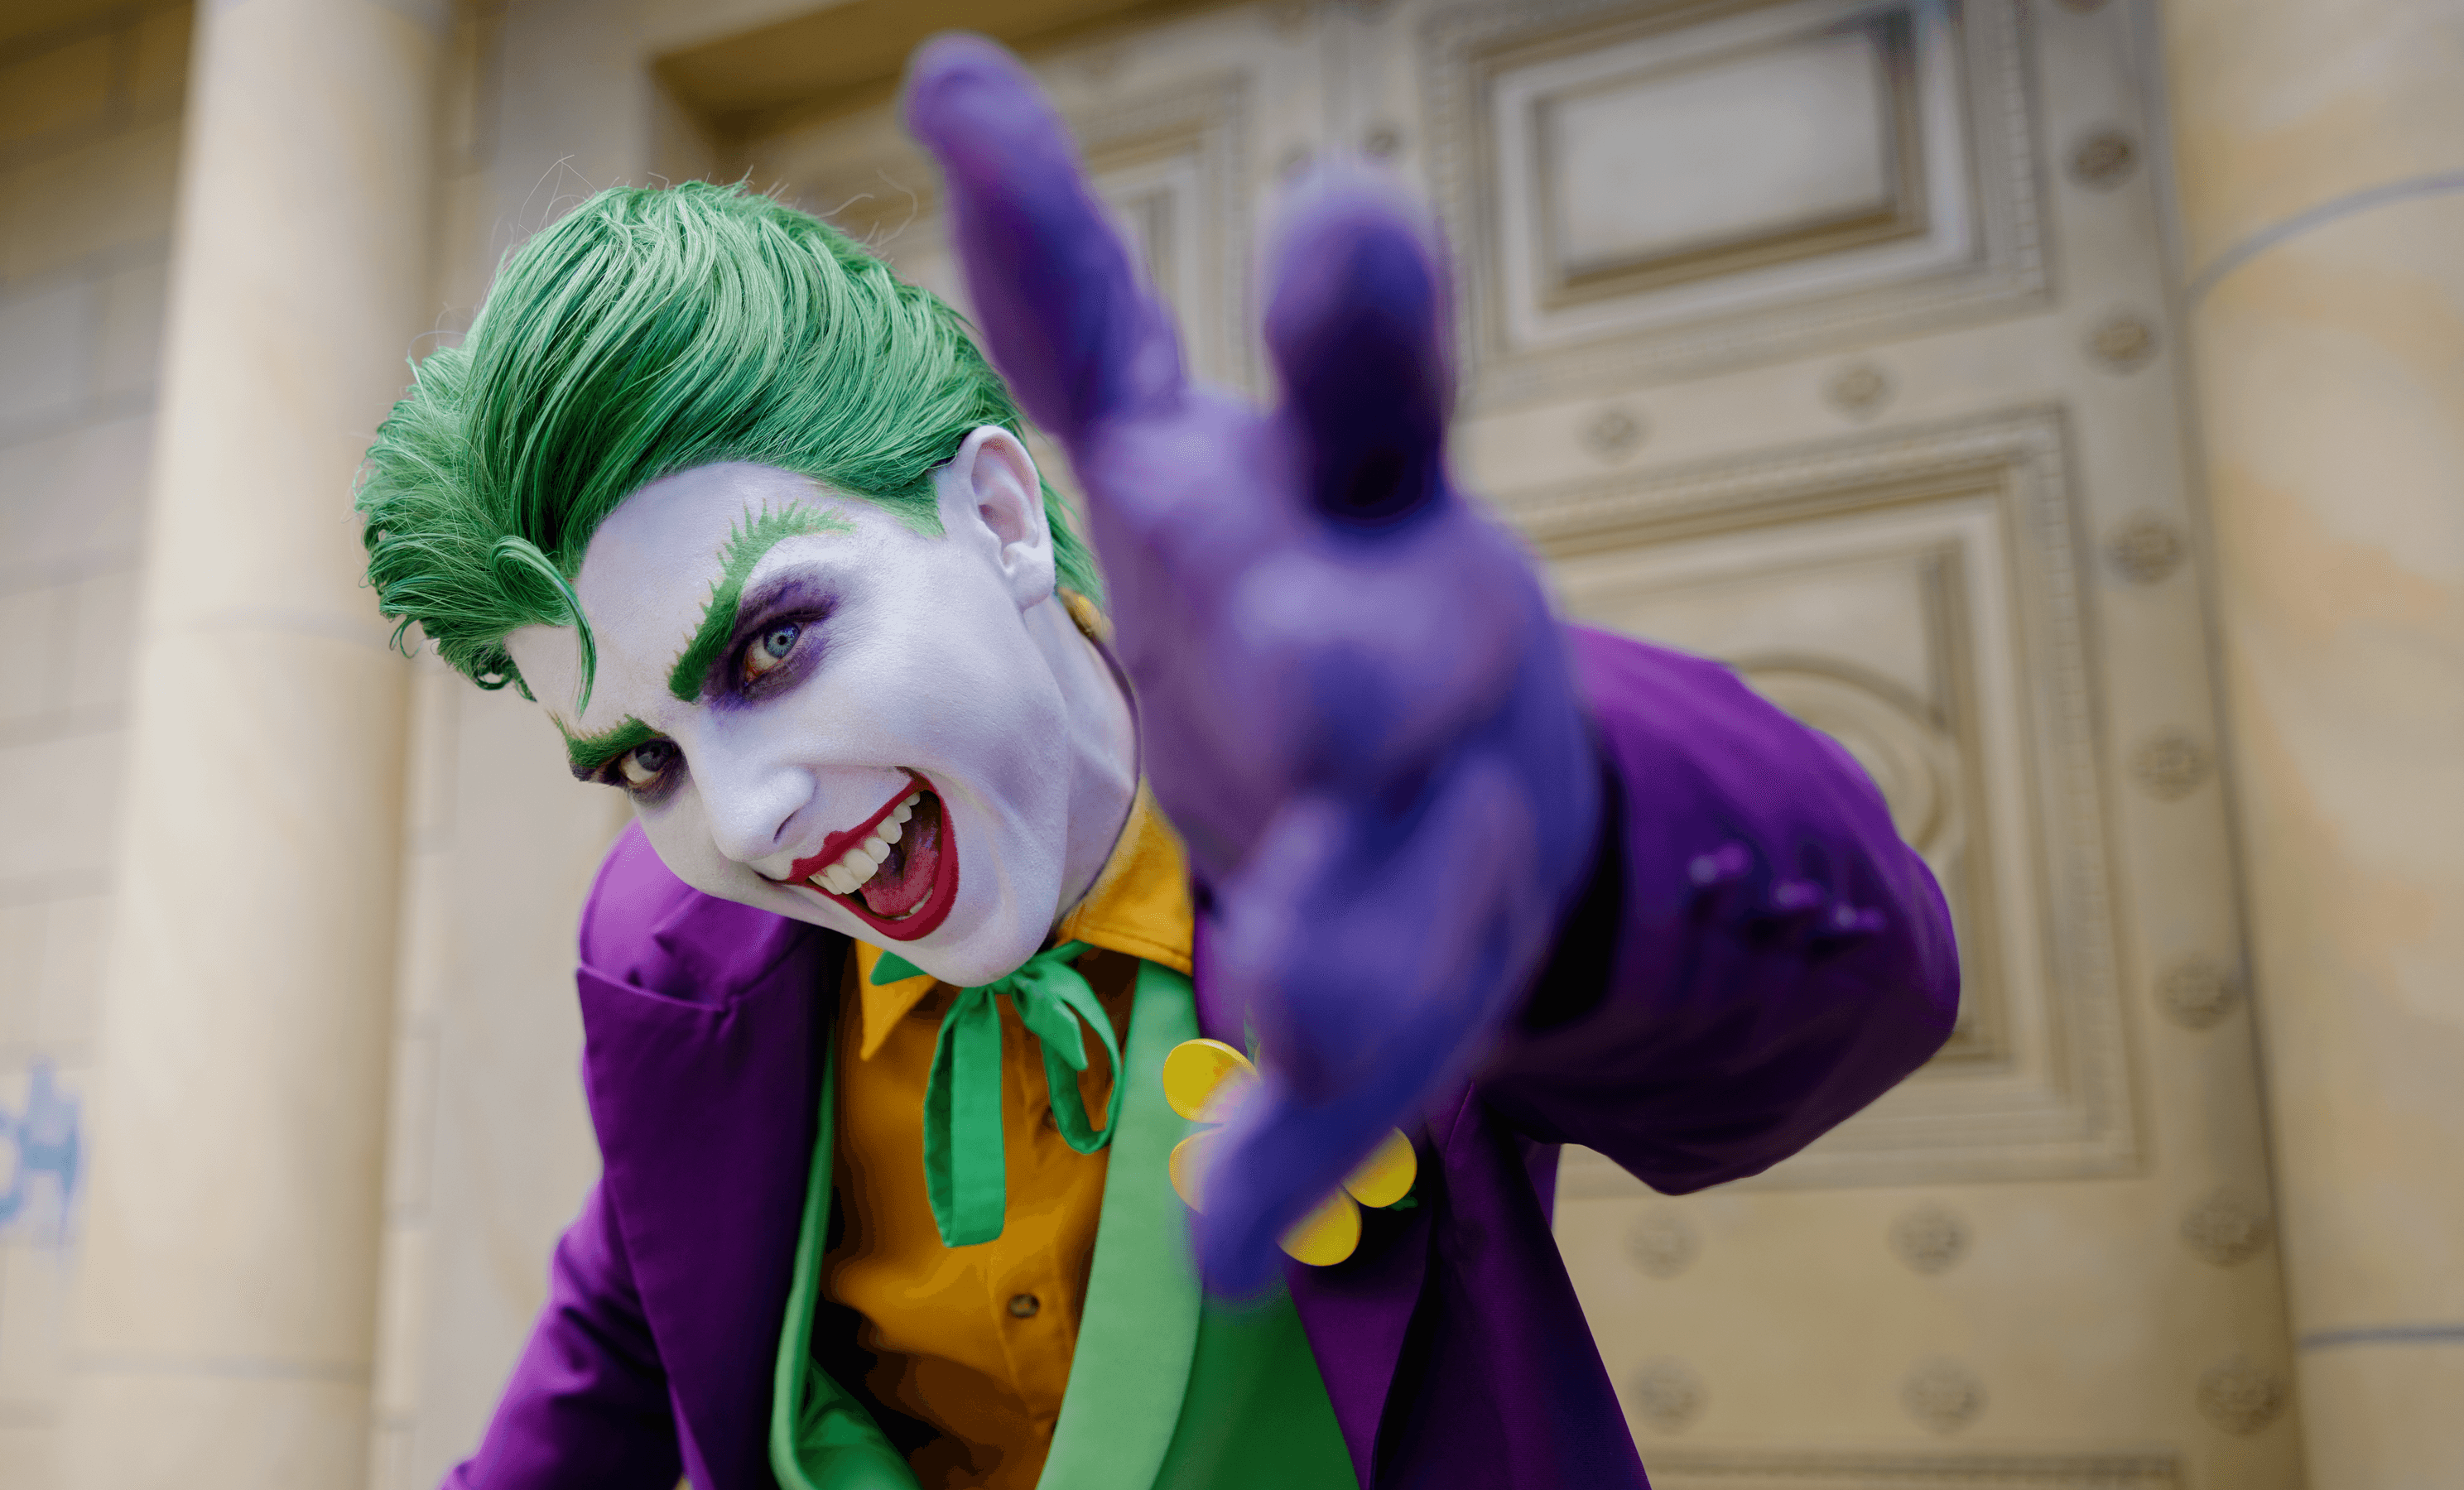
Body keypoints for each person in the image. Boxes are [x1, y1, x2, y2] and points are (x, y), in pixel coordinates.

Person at [354, 35, 1957, 1490]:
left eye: (773, 644)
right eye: (642, 761)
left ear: (991, 516)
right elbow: (638, 1330)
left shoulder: (1336, 823)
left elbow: (1867, 993)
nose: (749, 814)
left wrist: (1563, 817)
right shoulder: (665, 950)